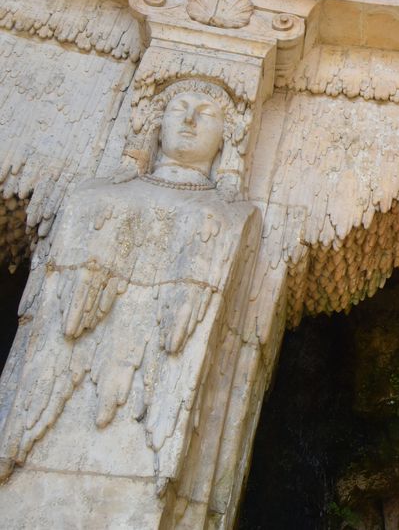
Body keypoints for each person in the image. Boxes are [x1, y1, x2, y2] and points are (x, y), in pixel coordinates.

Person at [0, 79, 258, 491]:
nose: (190, 120)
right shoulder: (92, 198)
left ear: (229, 137)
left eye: (206, 113)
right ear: (154, 125)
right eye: (179, 108)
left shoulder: (229, 218)